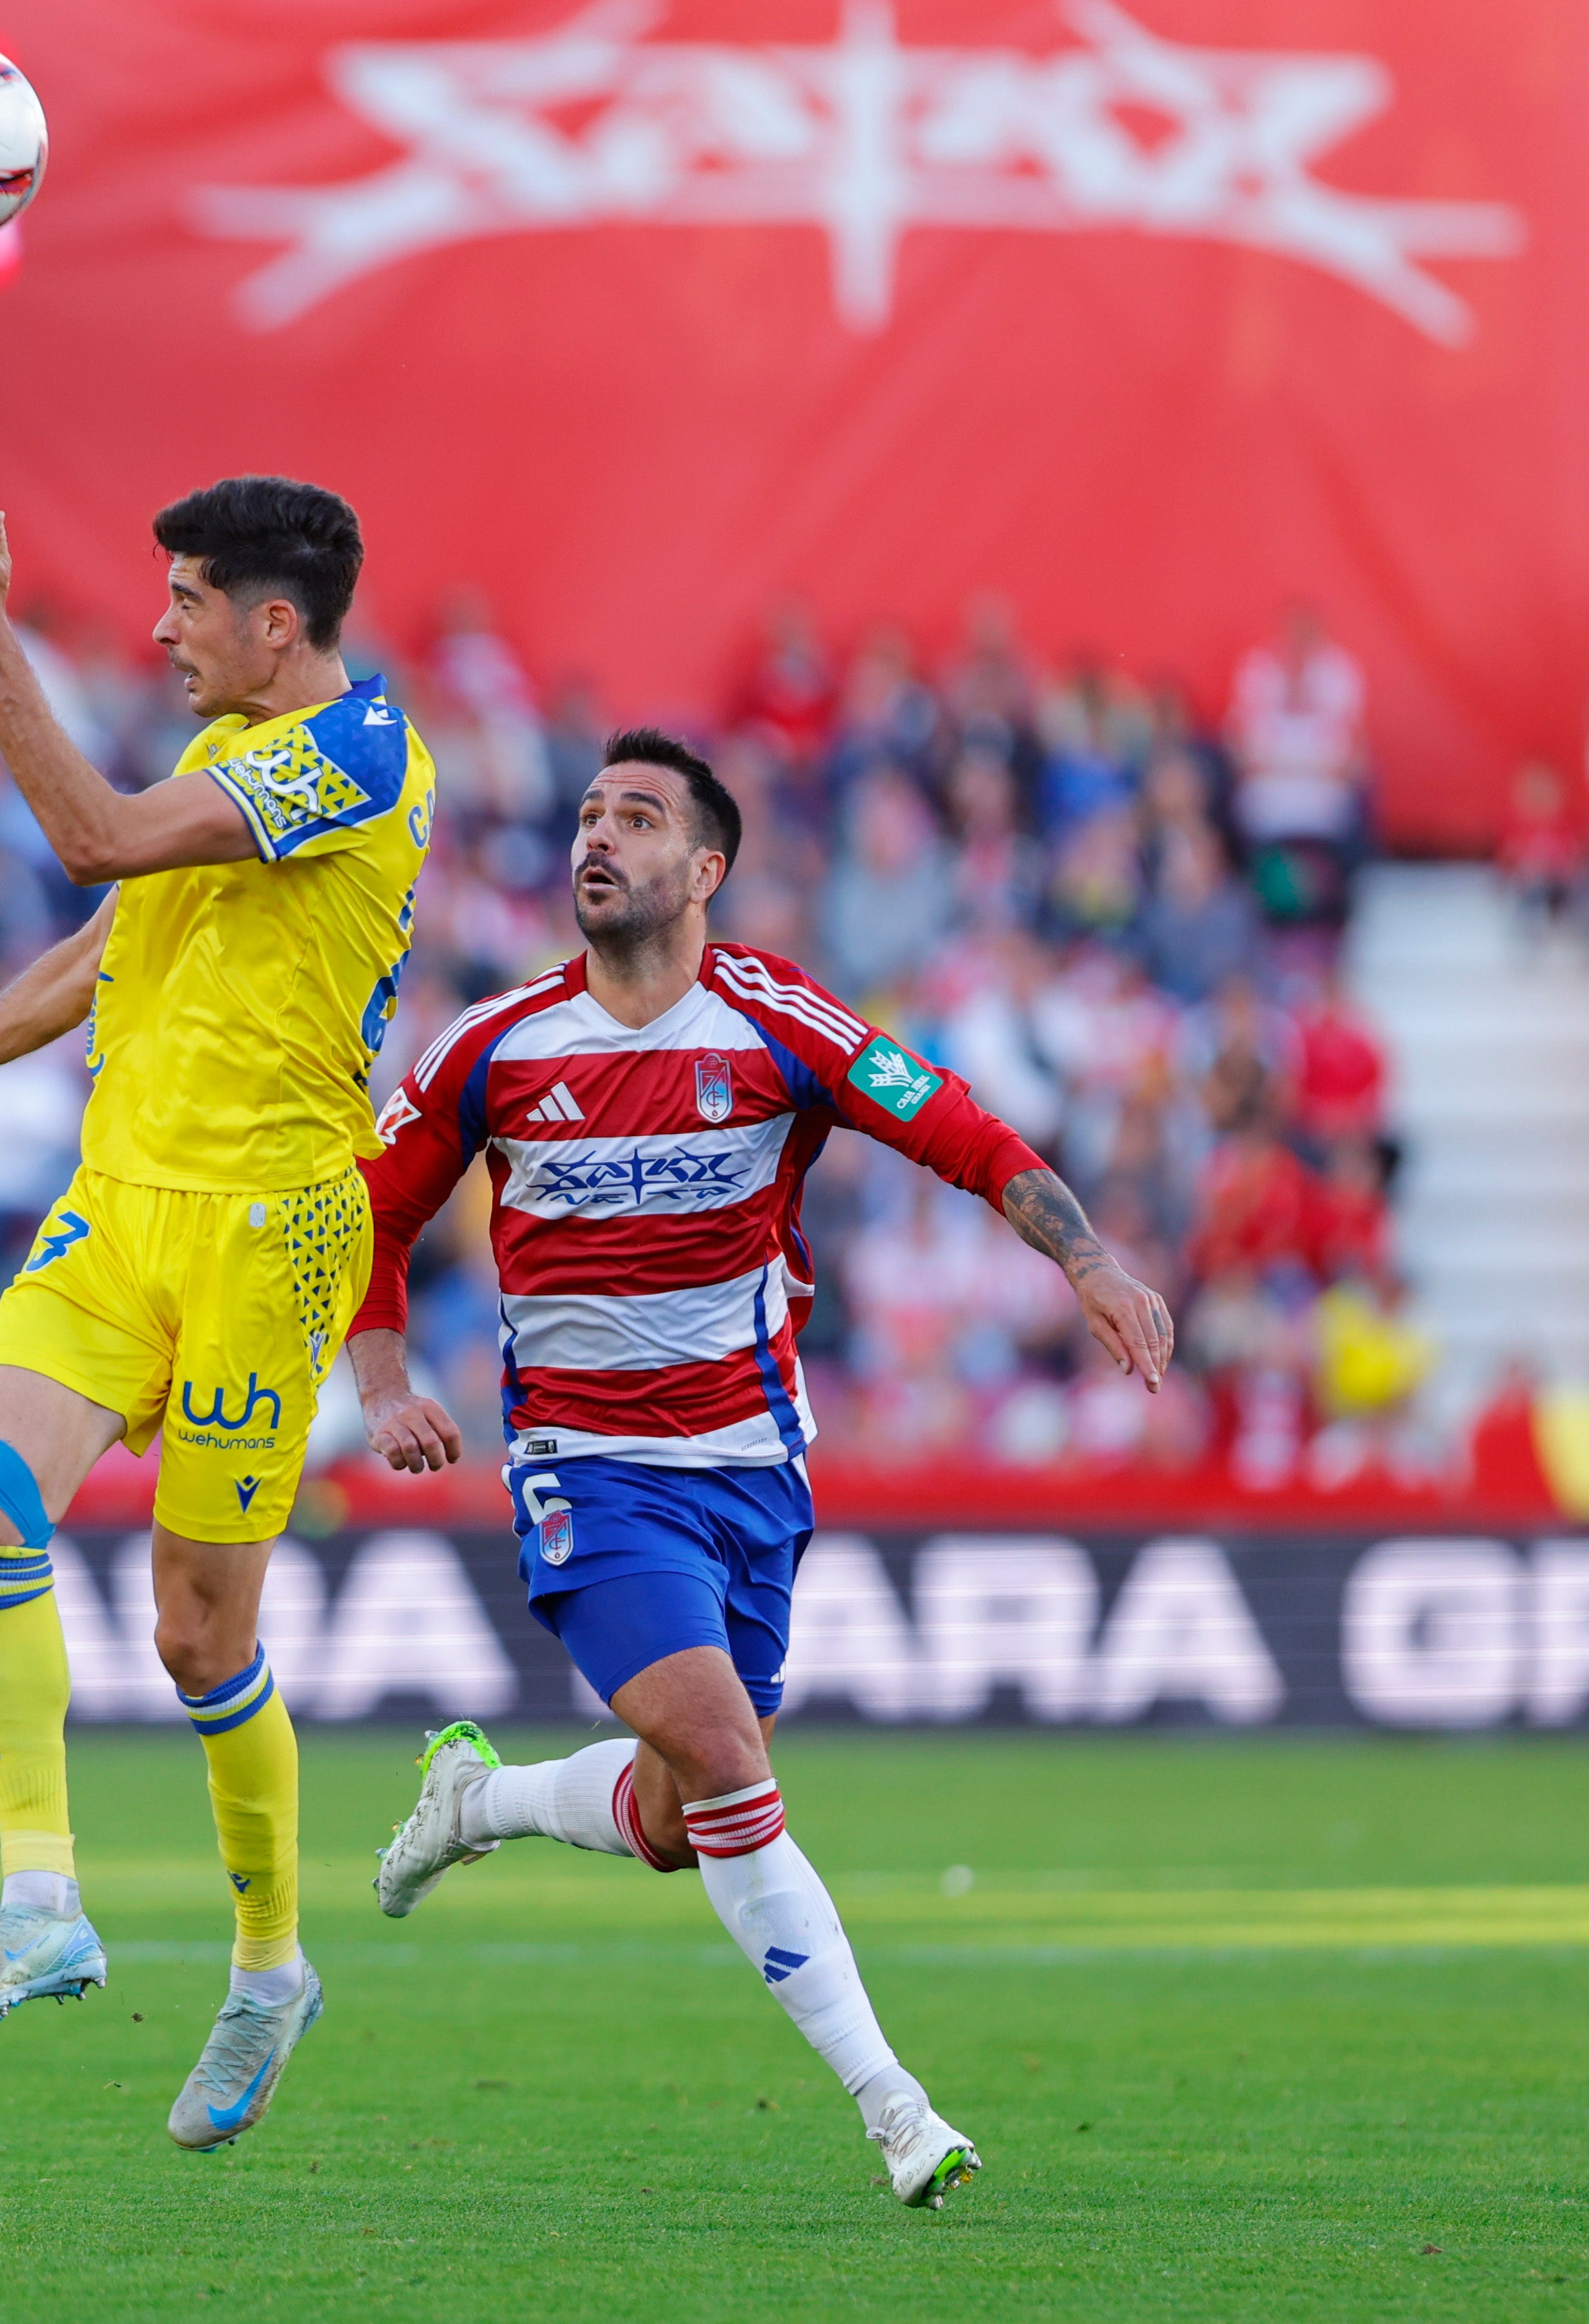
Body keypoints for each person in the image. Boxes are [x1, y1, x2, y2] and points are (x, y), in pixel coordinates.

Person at [351, 731, 1175, 2208]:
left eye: (638, 817)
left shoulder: (779, 1021)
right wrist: (385, 1380)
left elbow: (964, 1133)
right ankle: (896, 2107)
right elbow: (375, 1214)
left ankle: (477, 1802)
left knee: (683, 1821)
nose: (597, 835)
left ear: (705, 869)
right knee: (737, 1768)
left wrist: (1091, 1262)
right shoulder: (493, 1045)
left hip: (751, 1464)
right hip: (587, 1466)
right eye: (589, 812)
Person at [0, 465, 430, 2149]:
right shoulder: (228, 753)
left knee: (197, 1637)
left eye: (186, 601)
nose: (162, 628)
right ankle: (42, 1897)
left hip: (268, 1232)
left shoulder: (358, 757)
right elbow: (108, 938)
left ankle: (269, 1963)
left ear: (276, 622)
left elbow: (90, 834)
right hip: (120, 1204)